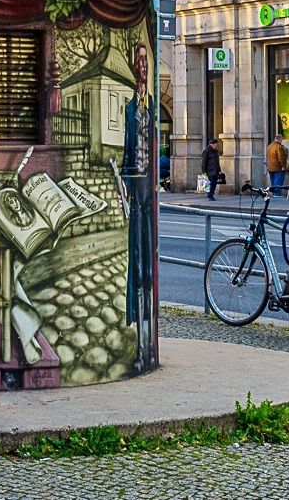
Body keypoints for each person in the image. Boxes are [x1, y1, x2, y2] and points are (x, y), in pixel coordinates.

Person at [122, 43, 156, 373]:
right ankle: (141, 345)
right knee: (139, 271)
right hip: (136, 201)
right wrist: (123, 187)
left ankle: (147, 345)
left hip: (150, 198)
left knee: (149, 274)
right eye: (140, 62)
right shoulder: (132, 109)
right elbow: (125, 155)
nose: (143, 67)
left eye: (147, 61)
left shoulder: (153, 106)